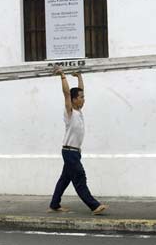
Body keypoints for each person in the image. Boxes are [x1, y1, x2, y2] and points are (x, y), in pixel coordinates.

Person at [49, 67, 107, 215]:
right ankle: (94, 205)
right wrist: (62, 76)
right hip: (69, 152)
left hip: (74, 152)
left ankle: (54, 204)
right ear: (74, 100)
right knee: (80, 178)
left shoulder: (79, 111)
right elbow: (67, 94)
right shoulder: (70, 113)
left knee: (65, 179)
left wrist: (79, 77)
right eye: (81, 97)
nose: (83, 99)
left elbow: (79, 90)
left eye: (83, 97)